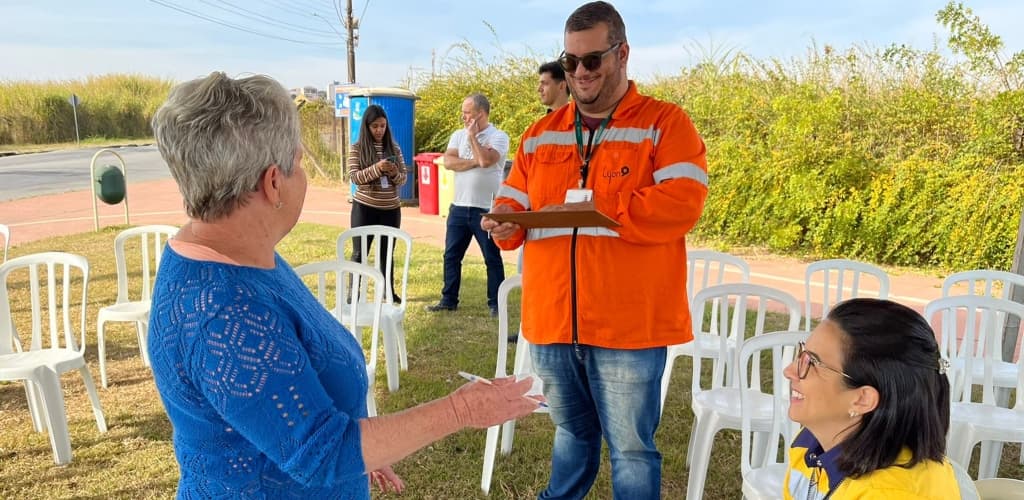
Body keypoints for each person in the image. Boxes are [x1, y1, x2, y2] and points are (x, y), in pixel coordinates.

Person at [147, 72, 541, 499]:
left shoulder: (240, 252)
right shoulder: (224, 311)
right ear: (273, 183)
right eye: (298, 163)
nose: (304, 175)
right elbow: (322, 452)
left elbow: (288, 403)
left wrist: (369, 445)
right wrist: (461, 409)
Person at [482, 1, 709, 497]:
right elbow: (512, 200)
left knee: (631, 448)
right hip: (552, 321)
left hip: (630, 327)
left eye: (591, 61)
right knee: (570, 433)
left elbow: (682, 202)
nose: (579, 73)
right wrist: (503, 224)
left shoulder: (666, 124)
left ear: (622, 53)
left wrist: (600, 207)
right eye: (569, 62)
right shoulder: (539, 135)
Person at [782, 298, 960, 499]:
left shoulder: (889, 494)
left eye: (812, 363)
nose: (789, 371)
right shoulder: (812, 442)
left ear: (862, 400)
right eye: (802, 355)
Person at [426, 93, 510, 318]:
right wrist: (473, 161)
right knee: (451, 255)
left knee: (491, 257)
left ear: (480, 114)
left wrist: (473, 138)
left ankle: (496, 302)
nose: (463, 117)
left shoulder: (499, 136)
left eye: (467, 113)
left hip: (486, 208)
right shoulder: (457, 135)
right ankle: (448, 299)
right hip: (459, 206)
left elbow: (486, 161)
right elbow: (448, 161)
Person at [347, 104, 406, 304]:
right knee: (359, 252)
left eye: (382, 126)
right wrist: (377, 168)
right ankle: (353, 293)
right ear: (367, 127)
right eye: (375, 126)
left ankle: (388, 292)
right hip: (365, 209)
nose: (379, 130)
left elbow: (403, 179)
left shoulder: (394, 148)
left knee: (387, 254)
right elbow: (354, 177)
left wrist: (393, 173)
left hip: (390, 210)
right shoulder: (357, 149)